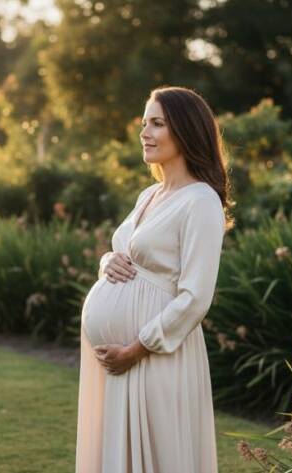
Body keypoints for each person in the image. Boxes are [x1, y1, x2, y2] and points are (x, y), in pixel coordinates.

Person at [75, 86, 234, 473]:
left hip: (154, 357)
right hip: (120, 361)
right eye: (144, 123)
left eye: (157, 124)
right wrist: (107, 261)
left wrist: (137, 348)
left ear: (186, 131)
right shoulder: (149, 194)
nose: (145, 132)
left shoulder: (201, 201)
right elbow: (128, 253)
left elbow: (195, 297)